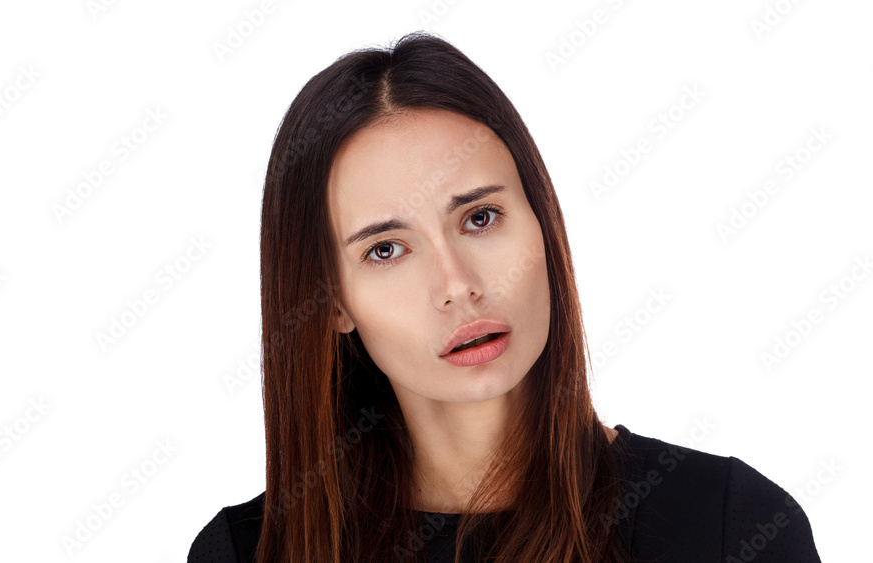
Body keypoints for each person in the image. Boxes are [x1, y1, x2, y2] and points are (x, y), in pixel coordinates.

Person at [188, 32, 822, 562]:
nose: (458, 284)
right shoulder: (247, 552)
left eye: (481, 219)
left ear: (541, 222)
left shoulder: (731, 527)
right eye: (385, 249)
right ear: (331, 300)